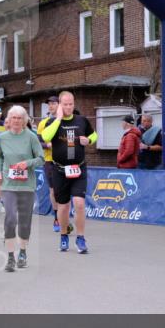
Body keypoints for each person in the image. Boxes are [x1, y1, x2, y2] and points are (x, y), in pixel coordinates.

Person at [40, 91, 95, 254]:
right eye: (65, 104)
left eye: (71, 104)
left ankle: (81, 238)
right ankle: (63, 236)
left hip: (79, 168)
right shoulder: (52, 122)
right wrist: (58, 119)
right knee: (63, 207)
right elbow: (46, 137)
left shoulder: (81, 120)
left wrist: (89, 140)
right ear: (60, 105)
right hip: (59, 170)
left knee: (79, 203)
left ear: (74, 104)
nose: (68, 107)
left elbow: (94, 135)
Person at [0, 105, 44, 272]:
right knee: (10, 219)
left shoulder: (31, 137)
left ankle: (22, 252)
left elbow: (41, 159)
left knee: (24, 220)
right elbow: (0, 158)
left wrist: (27, 164)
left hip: (26, 185)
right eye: (13, 118)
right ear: (9, 120)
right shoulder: (2, 138)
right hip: (9, 184)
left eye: (19, 118)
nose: (16, 121)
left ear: (24, 121)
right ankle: (10, 257)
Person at [36, 96, 66, 234]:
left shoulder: (65, 121)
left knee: (64, 190)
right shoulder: (43, 123)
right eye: (49, 104)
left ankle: (64, 216)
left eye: (54, 103)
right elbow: (38, 142)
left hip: (65, 160)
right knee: (53, 190)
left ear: (59, 105)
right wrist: (47, 145)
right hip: (49, 160)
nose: (51, 106)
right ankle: (57, 218)